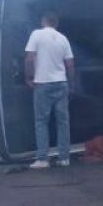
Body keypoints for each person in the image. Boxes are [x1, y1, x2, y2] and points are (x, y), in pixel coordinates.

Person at [24, 11, 75, 169]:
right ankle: (64, 158)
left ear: (43, 21)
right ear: (56, 23)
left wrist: (29, 77)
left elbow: (30, 57)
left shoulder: (37, 34)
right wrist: (71, 85)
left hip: (43, 83)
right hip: (61, 83)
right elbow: (70, 64)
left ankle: (42, 159)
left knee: (41, 122)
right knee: (63, 122)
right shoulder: (63, 38)